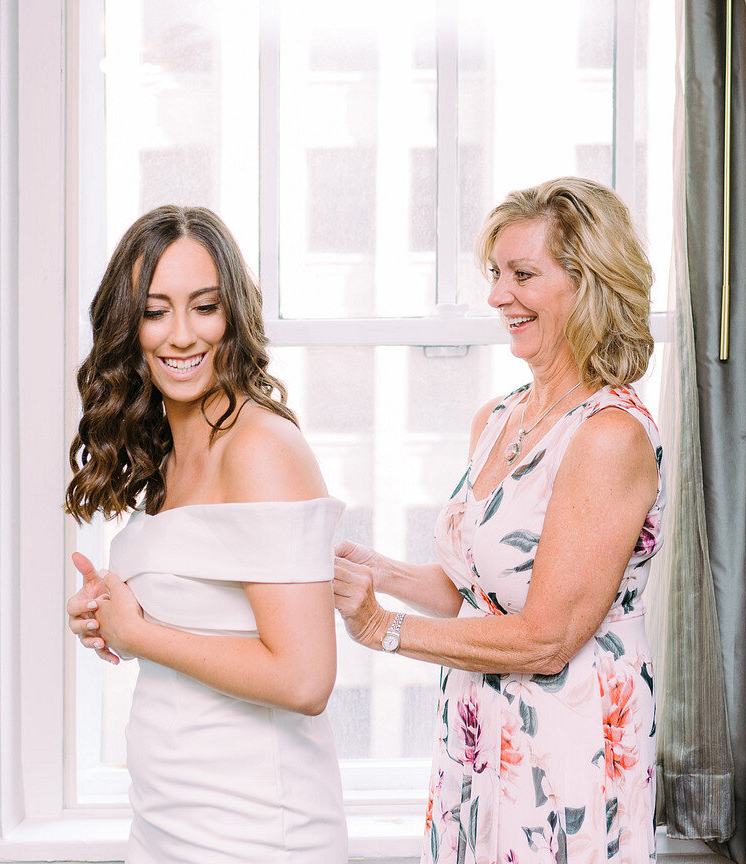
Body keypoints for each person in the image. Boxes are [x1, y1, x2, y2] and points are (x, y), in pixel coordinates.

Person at [333, 176, 663, 863]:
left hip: (567, 754)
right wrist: (373, 569)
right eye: (494, 273)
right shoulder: (498, 417)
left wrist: (382, 630)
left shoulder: (609, 436)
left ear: (588, 283)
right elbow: (472, 590)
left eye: (522, 274)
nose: (496, 296)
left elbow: (545, 638)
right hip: (477, 736)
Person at [64, 205, 347, 863]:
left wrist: (141, 633)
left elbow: (305, 679)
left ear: (234, 317)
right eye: (155, 311)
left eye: (204, 307)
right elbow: (211, 623)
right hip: (166, 827)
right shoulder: (168, 452)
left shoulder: (259, 449)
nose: (181, 335)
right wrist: (113, 613)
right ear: (126, 327)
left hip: (255, 837)